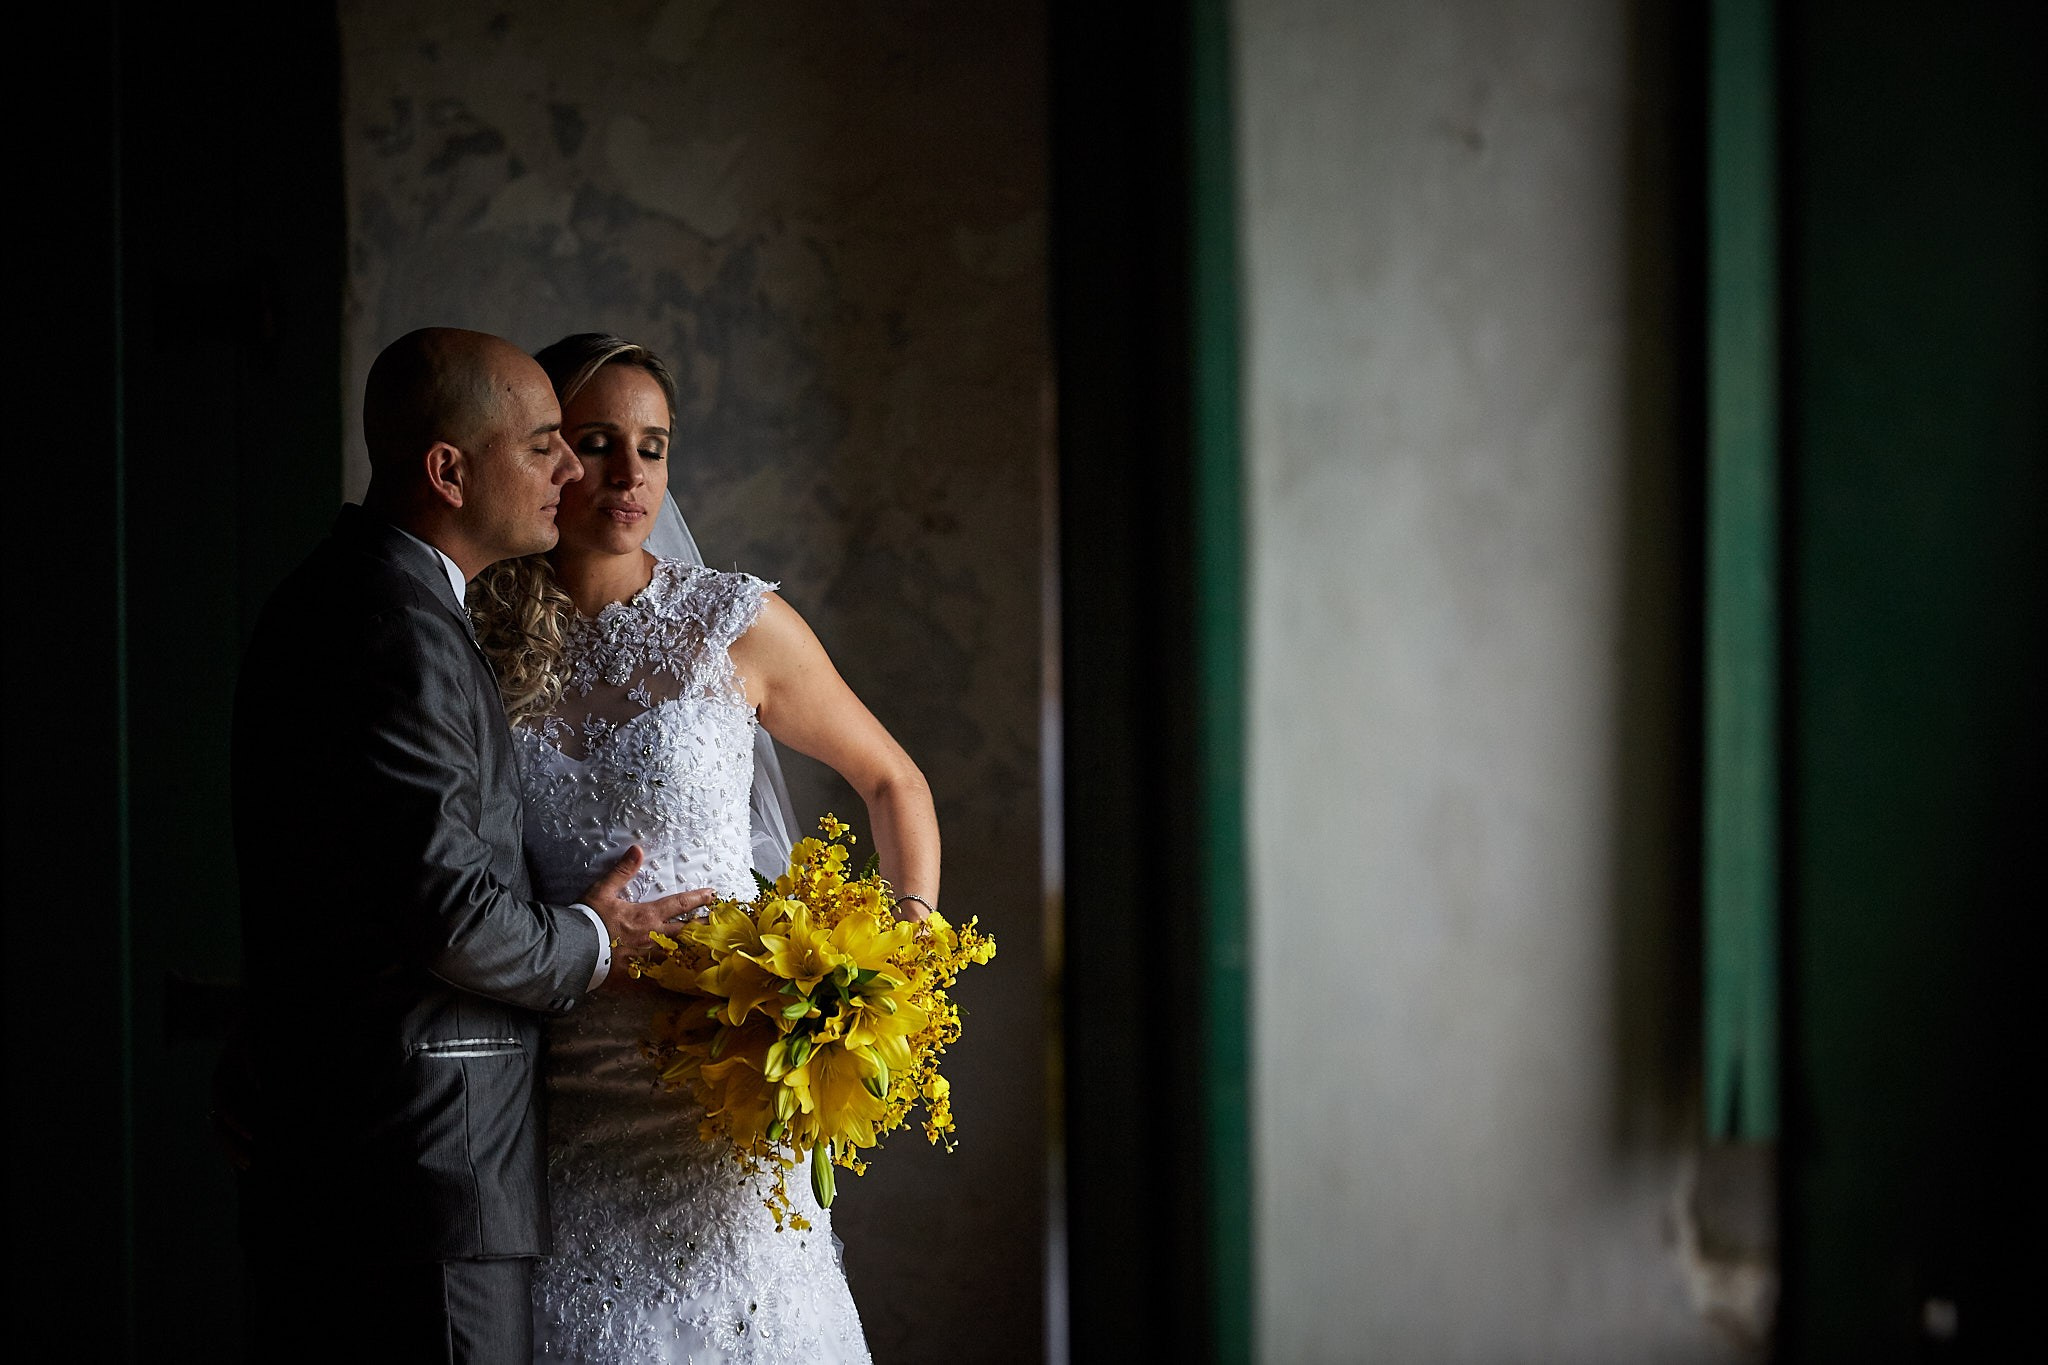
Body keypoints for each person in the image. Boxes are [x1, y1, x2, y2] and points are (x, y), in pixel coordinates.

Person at [231, 328, 718, 1363]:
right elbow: (447, 913)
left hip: (392, 1157)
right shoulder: (394, 629)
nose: (574, 471)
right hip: (424, 1163)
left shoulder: (375, 600)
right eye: (547, 444)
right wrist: (598, 940)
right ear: (448, 471)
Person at [467, 333, 943, 1362]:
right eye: (595, 442)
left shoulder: (732, 624)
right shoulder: (471, 641)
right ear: (547, 453)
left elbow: (892, 780)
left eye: (653, 446)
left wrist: (895, 970)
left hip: (724, 1091)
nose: (629, 474)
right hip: (565, 1095)